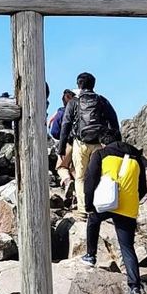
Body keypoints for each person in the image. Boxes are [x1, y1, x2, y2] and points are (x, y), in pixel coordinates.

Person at [82, 129, 147, 294]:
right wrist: (131, 200)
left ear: (103, 142)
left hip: (106, 202)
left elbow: (90, 180)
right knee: (127, 247)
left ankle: (91, 255)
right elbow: (143, 189)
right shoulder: (137, 158)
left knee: (93, 221)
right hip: (128, 207)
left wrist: (89, 205)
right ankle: (135, 288)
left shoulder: (101, 154)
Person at [57, 72, 120, 218]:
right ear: (93, 84)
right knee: (98, 175)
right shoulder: (101, 100)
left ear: (79, 85)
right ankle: (100, 206)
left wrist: (61, 148)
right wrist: (116, 143)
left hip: (81, 143)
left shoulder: (74, 102)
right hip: (99, 144)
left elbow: (66, 124)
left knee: (80, 177)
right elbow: (113, 119)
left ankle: (83, 209)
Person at [50, 89, 76, 196]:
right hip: (83, 142)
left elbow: (54, 132)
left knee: (61, 167)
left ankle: (67, 180)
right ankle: (77, 196)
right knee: (76, 170)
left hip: (68, 143)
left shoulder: (61, 113)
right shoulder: (80, 110)